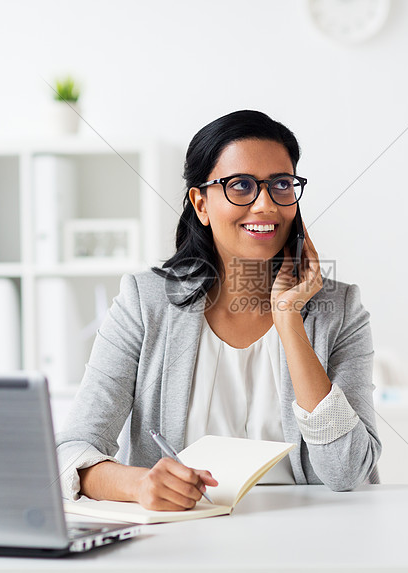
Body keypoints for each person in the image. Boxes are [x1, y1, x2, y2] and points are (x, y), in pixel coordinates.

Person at [56, 110, 380, 510]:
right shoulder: (145, 302)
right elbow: (71, 451)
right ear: (201, 204)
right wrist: (138, 484)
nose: (265, 204)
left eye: (280, 184)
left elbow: (348, 471)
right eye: (240, 186)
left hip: (307, 541)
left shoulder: (339, 309)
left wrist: (288, 319)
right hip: (179, 540)